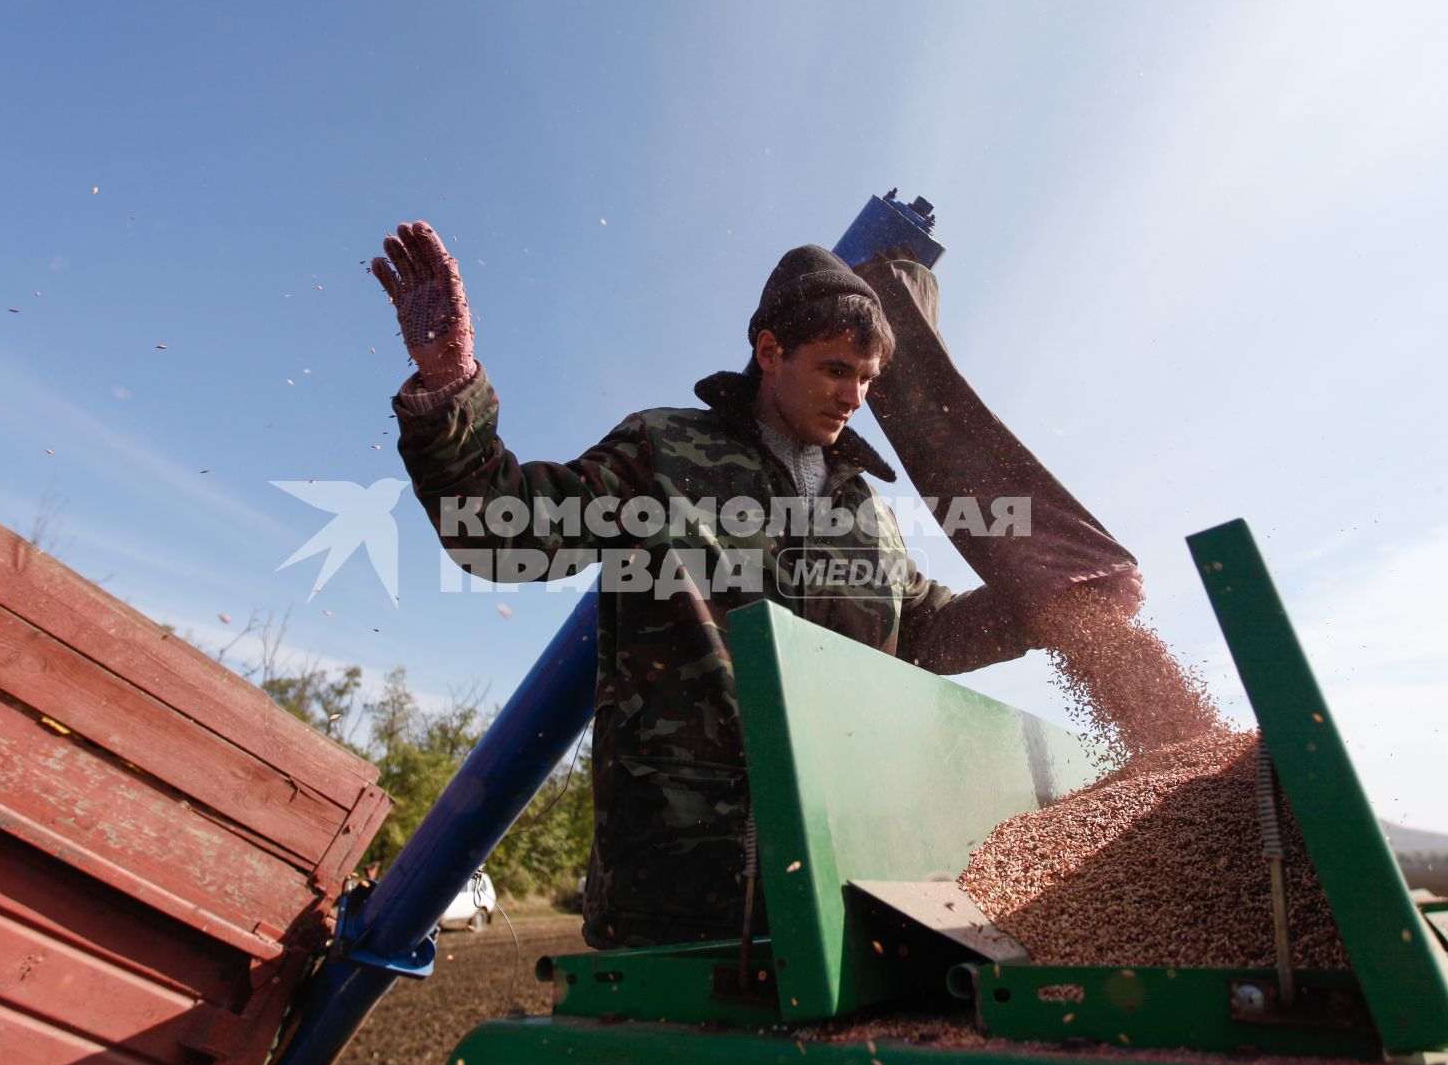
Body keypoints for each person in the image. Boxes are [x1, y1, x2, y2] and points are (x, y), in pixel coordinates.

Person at [371, 221, 1134, 949]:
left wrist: (1048, 611)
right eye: (837, 369)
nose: (856, 397)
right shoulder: (664, 450)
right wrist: (450, 391)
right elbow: (502, 535)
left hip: (845, 874)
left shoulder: (867, 511)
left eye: (868, 379)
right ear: (771, 351)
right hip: (678, 885)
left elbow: (923, 632)